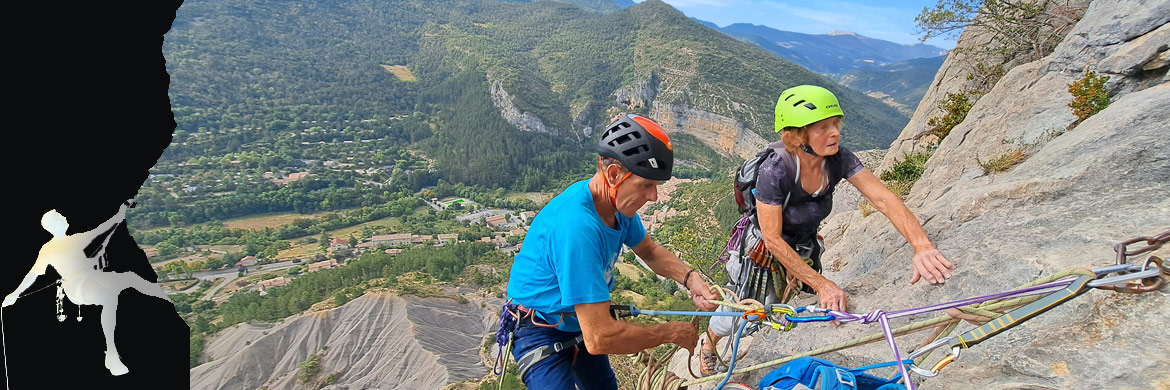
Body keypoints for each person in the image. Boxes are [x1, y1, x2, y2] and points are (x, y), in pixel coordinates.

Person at [700, 85, 956, 375]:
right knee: (751, 306)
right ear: (798, 135)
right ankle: (710, 342)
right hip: (762, 251)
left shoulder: (838, 159)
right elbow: (771, 237)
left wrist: (922, 246)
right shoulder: (776, 170)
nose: (835, 132)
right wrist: (823, 283)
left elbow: (883, 198)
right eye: (823, 127)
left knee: (805, 301)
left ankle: (774, 341)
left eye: (836, 124)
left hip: (805, 244)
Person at [505, 114, 720, 389]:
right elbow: (599, 338)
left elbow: (649, 251)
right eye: (646, 185)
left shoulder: (616, 205)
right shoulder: (577, 226)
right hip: (540, 328)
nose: (653, 197)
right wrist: (669, 332)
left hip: (577, 320)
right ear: (614, 174)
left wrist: (691, 279)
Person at [3, 200, 172, 376]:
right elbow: (34, 274)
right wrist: (15, 294)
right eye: (61, 217)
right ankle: (112, 353)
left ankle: (162, 297)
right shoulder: (53, 247)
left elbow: (104, 227)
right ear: (55, 224)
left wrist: (122, 211)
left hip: (91, 279)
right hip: (79, 287)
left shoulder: (68, 242)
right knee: (109, 297)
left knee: (128, 277)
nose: (65, 218)